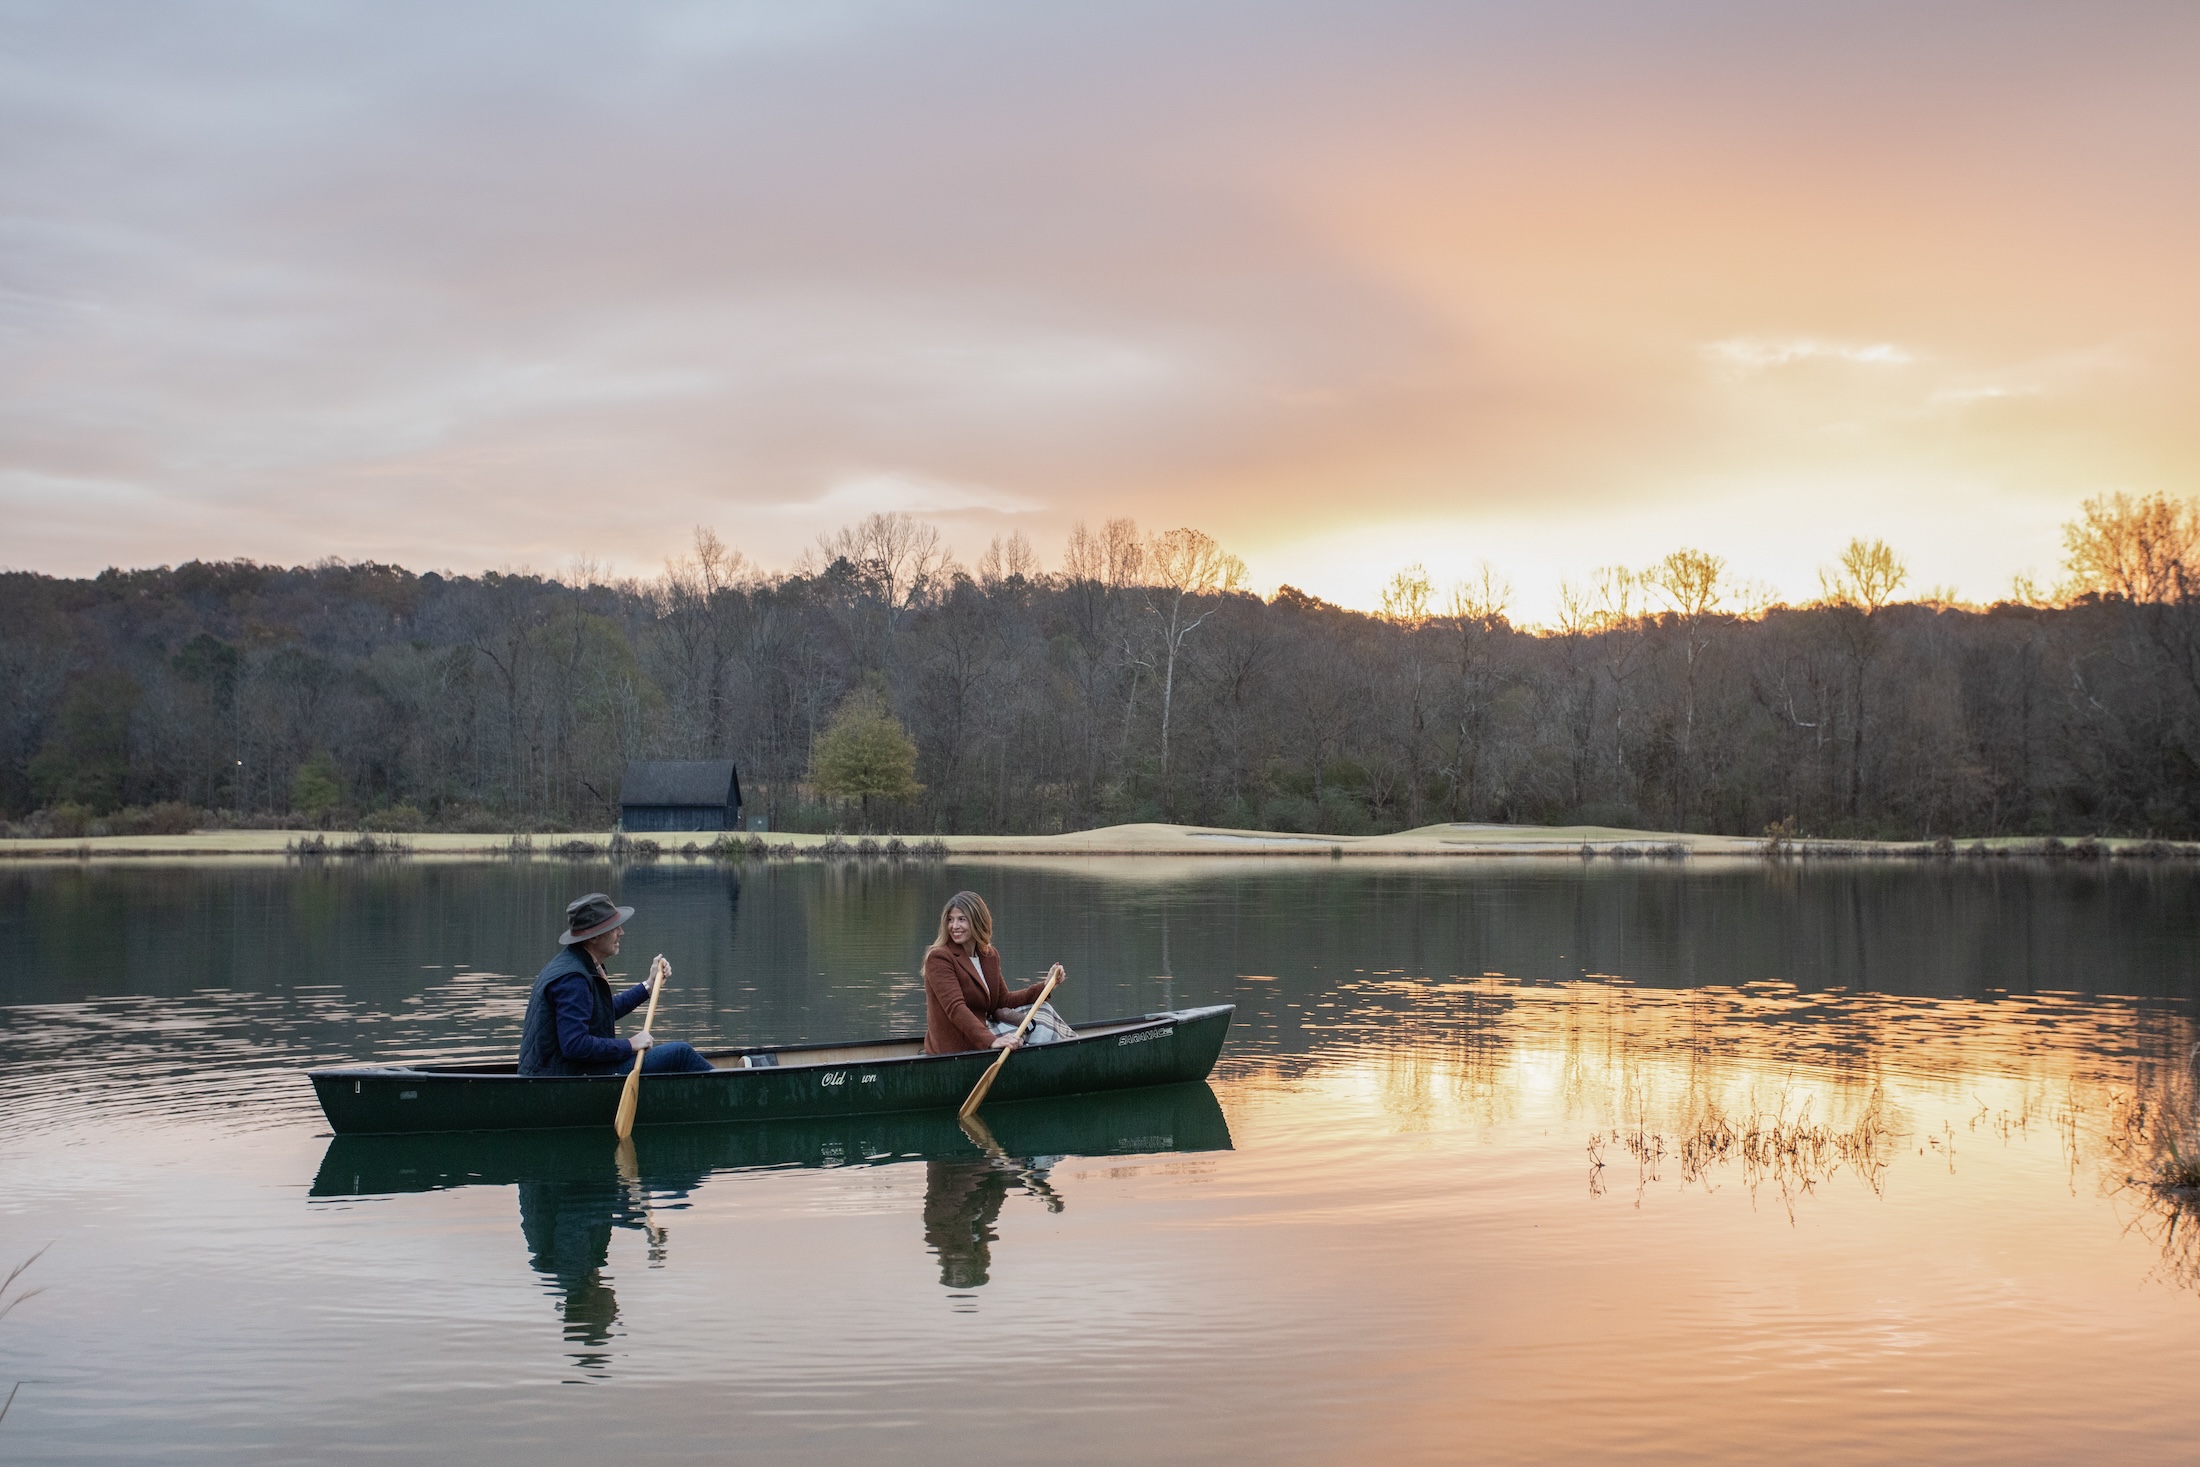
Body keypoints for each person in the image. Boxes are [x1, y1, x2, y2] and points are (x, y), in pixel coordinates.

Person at [518, 892, 714, 1076]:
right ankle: (733, 1079)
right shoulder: (573, 978)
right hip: (565, 1076)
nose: (621, 932)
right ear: (593, 937)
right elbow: (575, 1045)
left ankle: (742, 1069)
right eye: (614, 927)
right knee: (680, 1053)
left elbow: (602, 1012)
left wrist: (649, 985)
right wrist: (629, 1044)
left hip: (569, 1070)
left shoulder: (579, 965)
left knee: (678, 1054)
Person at [920, 890, 1073, 1055]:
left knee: (1044, 1010)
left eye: (962, 919)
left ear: (977, 921)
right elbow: (956, 1009)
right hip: (956, 1044)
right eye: (950, 920)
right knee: (1029, 1035)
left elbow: (1003, 1001)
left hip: (983, 1031)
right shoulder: (940, 958)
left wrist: (1046, 986)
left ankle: (1068, 1049)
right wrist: (992, 1040)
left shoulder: (988, 956)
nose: (954, 926)